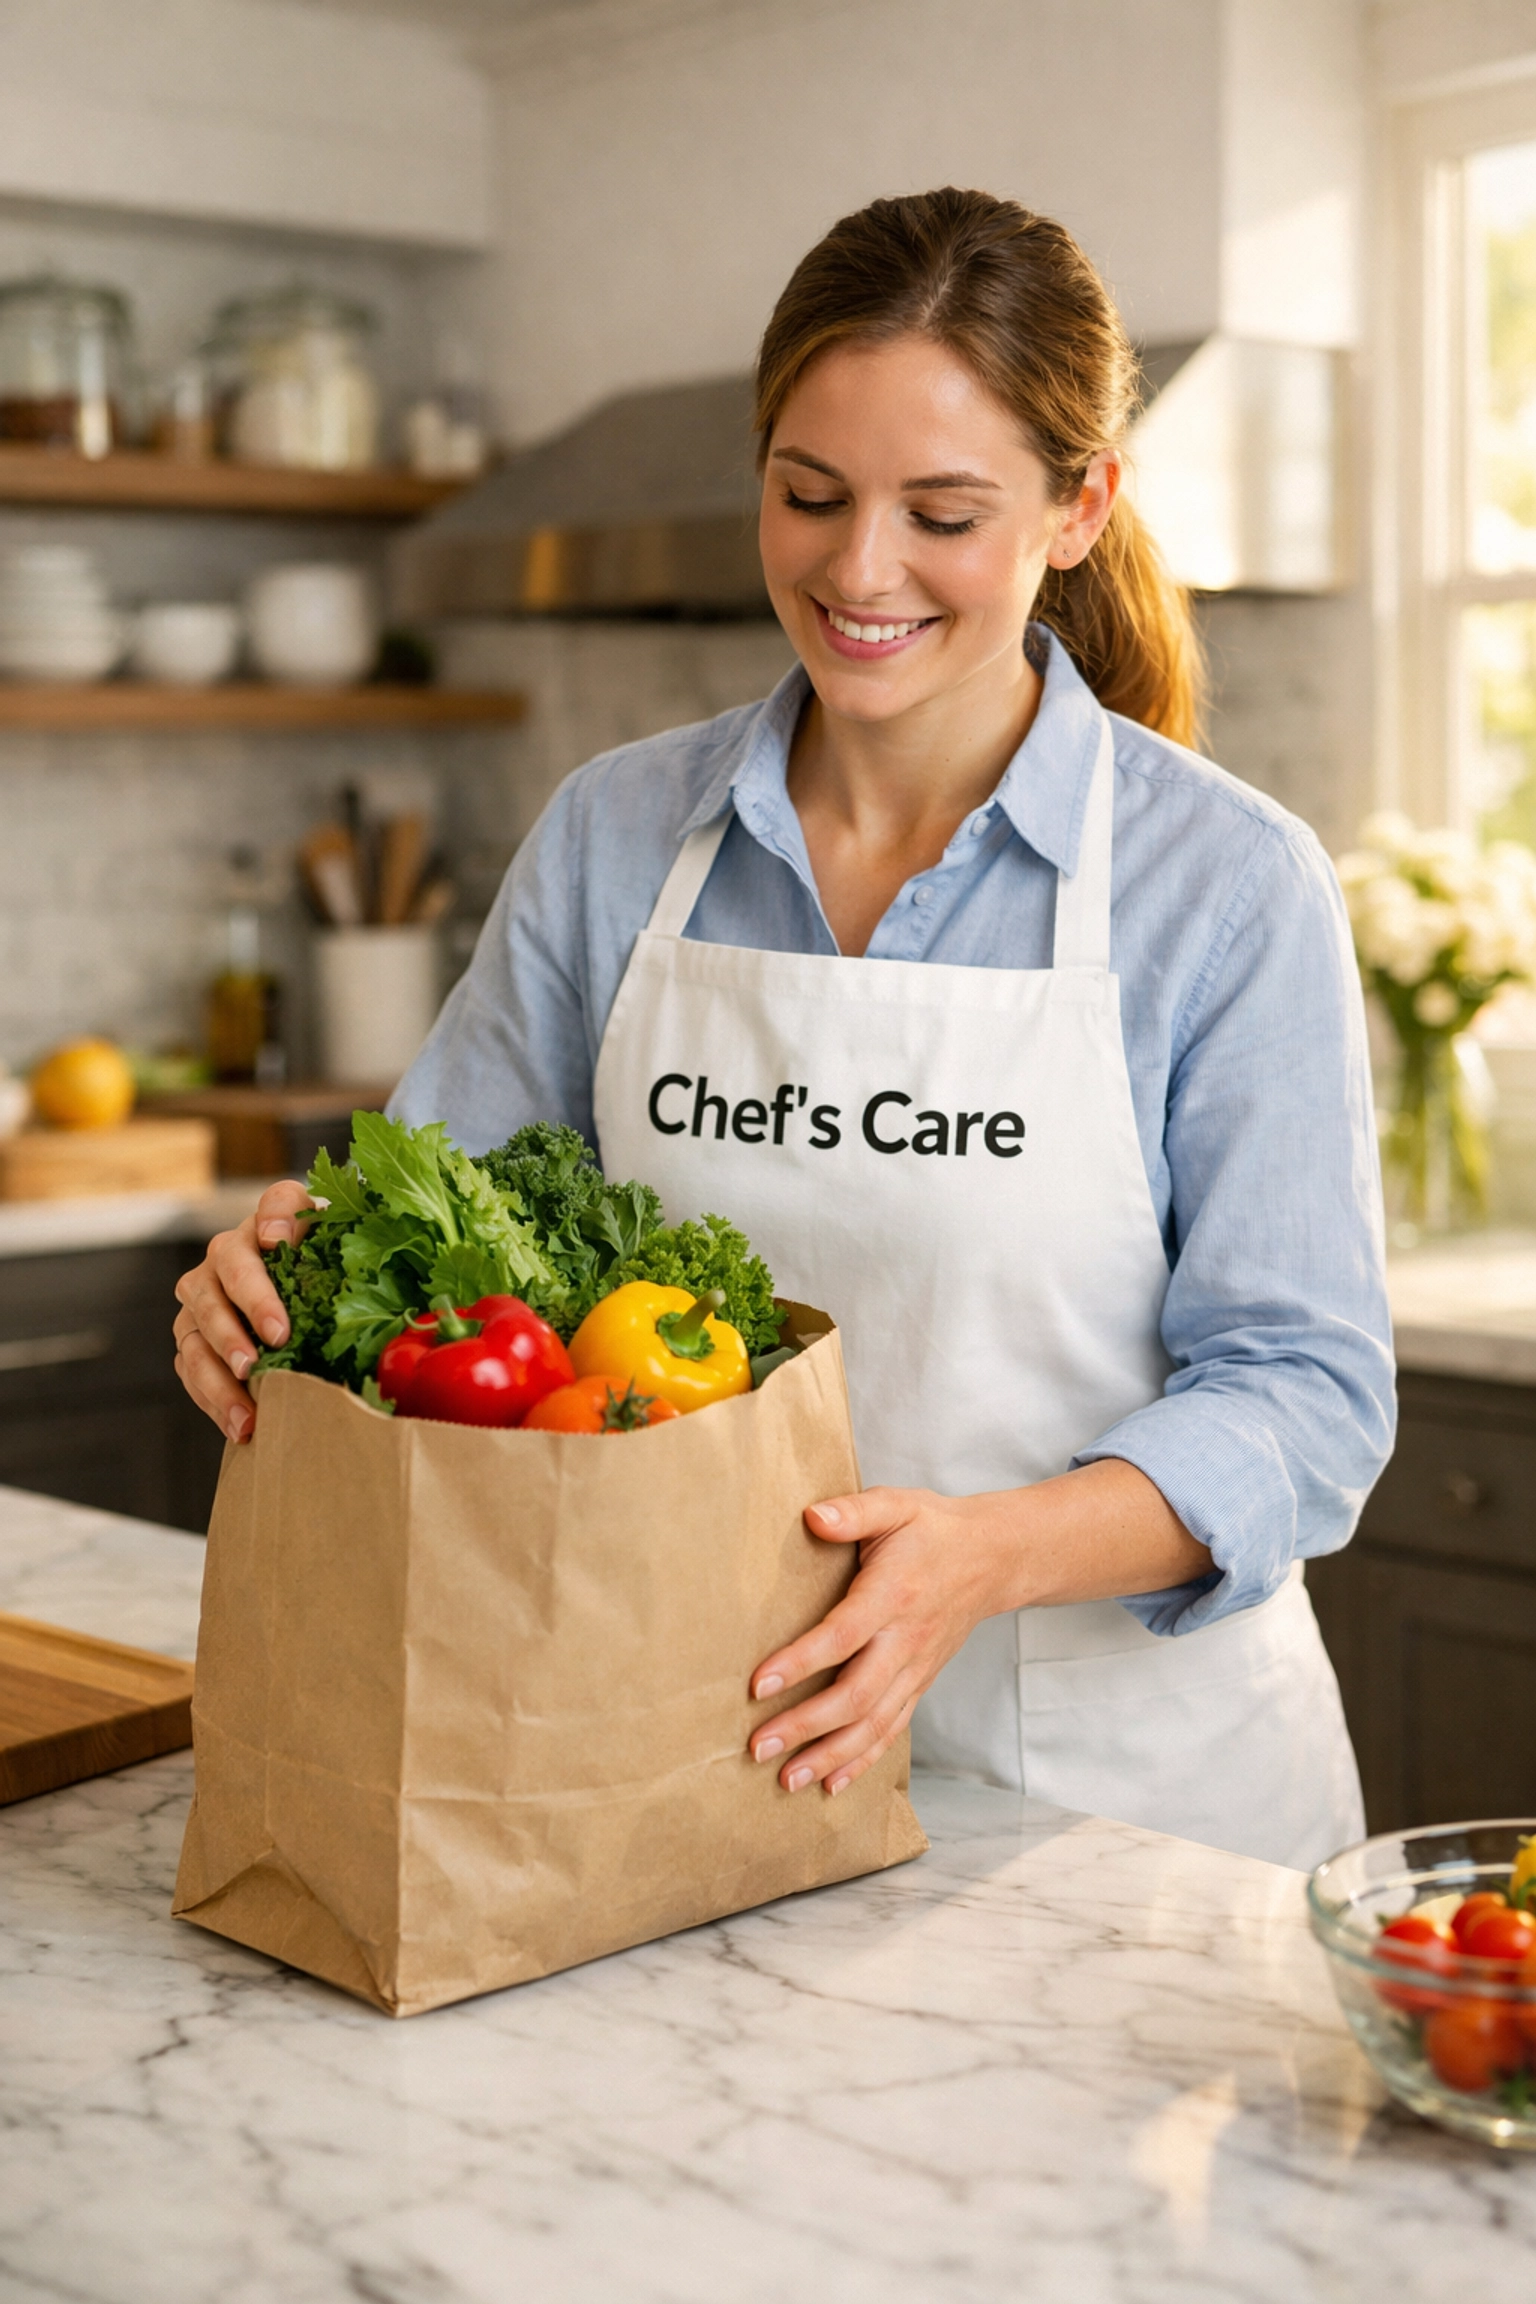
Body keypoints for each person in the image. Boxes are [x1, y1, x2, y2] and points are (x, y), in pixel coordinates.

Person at [173, 189, 1394, 1869]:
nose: (856, 569)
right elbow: (444, 1231)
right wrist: (287, 1285)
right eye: (808, 495)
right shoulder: (619, 838)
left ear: (1078, 506)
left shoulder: (1227, 886)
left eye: (940, 514)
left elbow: (1305, 1399)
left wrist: (986, 1553)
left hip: (1124, 1816)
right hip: (694, 1764)